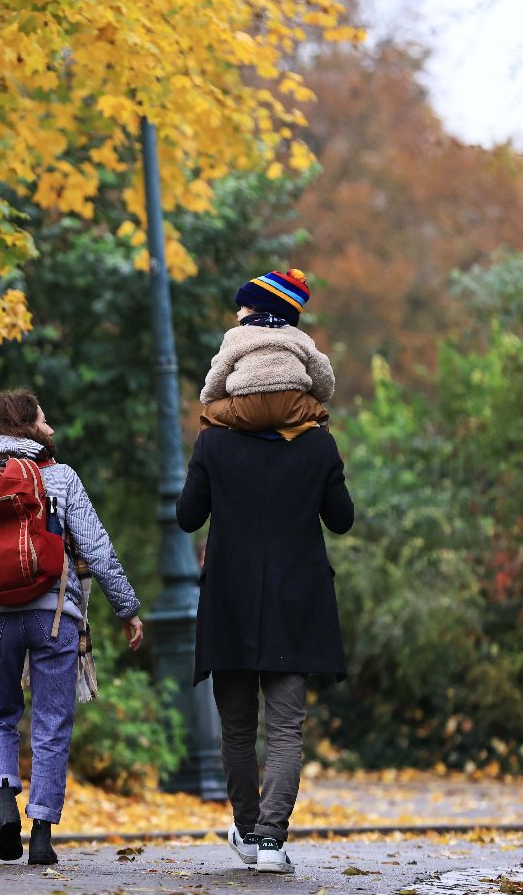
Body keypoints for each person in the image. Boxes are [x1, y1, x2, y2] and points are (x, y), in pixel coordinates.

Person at [0, 389, 145, 867]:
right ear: (26, 427)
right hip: (54, 614)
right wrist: (128, 609)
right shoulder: (60, 477)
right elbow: (96, 547)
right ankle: (40, 834)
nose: (51, 429)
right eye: (44, 421)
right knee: (52, 722)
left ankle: (4, 804)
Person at [176, 403, 355, 874]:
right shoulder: (316, 442)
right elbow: (341, 518)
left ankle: (250, 832)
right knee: (284, 728)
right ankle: (273, 840)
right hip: (295, 602)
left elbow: (187, 516)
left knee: (236, 728)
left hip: (229, 601)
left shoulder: (214, 441)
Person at [199, 268, 335, 441]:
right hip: (291, 405)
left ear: (255, 308)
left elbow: (219, 371)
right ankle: (314, 450)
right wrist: (320, 396)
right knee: (321, 416)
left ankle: (211, 455)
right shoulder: (301, 338)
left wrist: (210, 398)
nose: (237, 313)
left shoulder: (235, 336)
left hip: (246, 407)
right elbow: (323, 375)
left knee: (209, 414)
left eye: (242, 307)